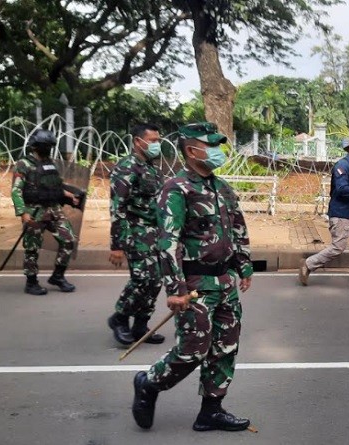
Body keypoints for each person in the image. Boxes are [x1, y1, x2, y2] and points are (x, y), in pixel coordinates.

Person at [132, 122, 253, 433]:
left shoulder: (222, 187)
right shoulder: (177, 188)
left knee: (226, 346)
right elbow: (167, 241)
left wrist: (244, 265)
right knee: (193, 349)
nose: (217, 151)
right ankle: (149, 383)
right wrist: (175, 288)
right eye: (210, 145)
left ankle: (211, 410)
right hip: (196, 285)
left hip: (224, 282)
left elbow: (237, 228)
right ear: (191, 150)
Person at [107, 124, 166, 346]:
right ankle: (119, 318)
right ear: (138, 142)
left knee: (156, 280)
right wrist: (117, 244)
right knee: (143, 279)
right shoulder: (127, 167)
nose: (156, 144)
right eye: (152, 140)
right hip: (135, 232)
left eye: (158, 140)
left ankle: (141, 325)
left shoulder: (151, 168)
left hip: (154, 233)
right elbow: (117, 208)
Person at [298, 137, 349, 290]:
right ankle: (308, 264)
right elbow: (341, 189)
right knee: (338, 247)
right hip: (341, 212)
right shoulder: (342, 165)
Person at [11, 129, 79, 295]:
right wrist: (23, 213)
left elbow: (55, 184)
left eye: (49, 146)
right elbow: (16, 190)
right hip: (34, 211)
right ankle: (31, 282)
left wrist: (68, 194)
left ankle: (58, 276)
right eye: (44, 146)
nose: (47, 149)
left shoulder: (49, 163)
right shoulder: (23, 164)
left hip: (54, 209)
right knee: (32, 247)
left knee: (68, 239)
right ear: (35, 146)